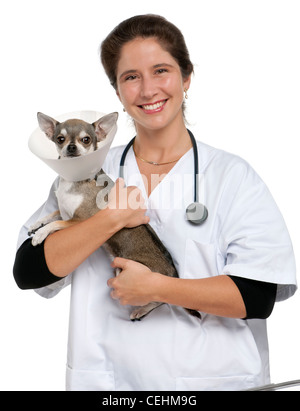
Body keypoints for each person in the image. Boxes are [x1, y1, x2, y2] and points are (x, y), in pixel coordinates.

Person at [13, 14, 297, 391]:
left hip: (214, 382)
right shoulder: (86, 171)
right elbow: (29, 270)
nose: (148, 90)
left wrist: (157, 288)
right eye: (130, 77)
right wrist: (110, 218)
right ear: (117, 92)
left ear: (186, 78)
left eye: (160, 70)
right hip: (112, 382)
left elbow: (257, 297)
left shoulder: (232, 177)